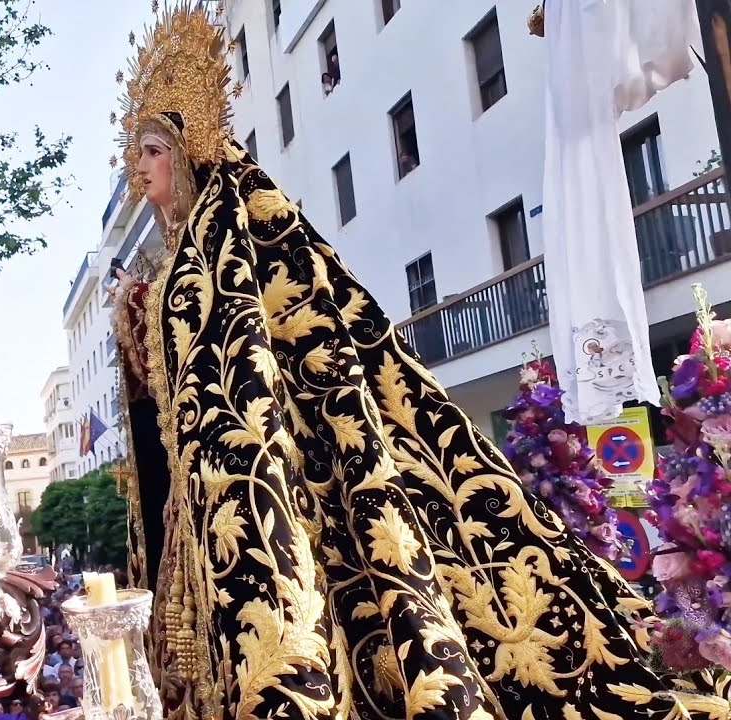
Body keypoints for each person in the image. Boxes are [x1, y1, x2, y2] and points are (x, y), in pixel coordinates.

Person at [108, 4, 731, 720]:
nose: (140, 166)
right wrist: (136, 311)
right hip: (202, 497)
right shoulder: (178, 258)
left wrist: (155, 307)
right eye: (136, 153)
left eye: (152, 149)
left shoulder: (231, 234)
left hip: (275, 468)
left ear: (189, 153)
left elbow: (245, 344)